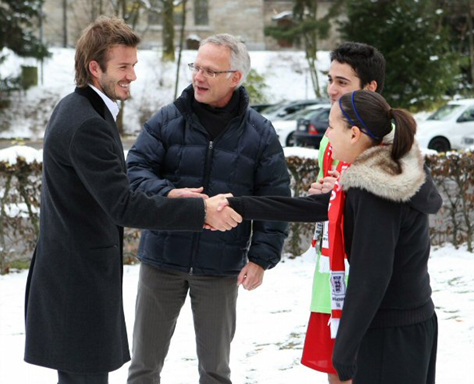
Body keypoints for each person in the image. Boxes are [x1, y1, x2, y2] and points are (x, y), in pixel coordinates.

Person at [24, 17, 241, 384]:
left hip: (72, 278)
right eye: (124, 67)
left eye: (134, 65)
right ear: (95, 68)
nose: (133, 76)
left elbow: (109, 187)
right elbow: (121, 205)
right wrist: (198, 210)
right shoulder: (88, 123)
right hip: (76, 287)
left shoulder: (77, 108)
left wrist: (167, 193)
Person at [224, 90, 442, 384]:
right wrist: (237, 205)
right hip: (409, 324)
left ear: (354, 134)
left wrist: (345, 350)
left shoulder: (376, 189)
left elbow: (372, 275)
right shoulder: (382, 169)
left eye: (330, 126)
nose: (326, 135)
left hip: (389, 335)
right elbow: (316, 206)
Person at [125, 33, 290, 384]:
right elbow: (135, 170)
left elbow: (275, 198)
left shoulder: (260, 133)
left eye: (210, 71)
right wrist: (171, 195)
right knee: (143, 367)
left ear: (235, 78)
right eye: (196, 67)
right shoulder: (167, 119)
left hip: (220, 267)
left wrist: (261, 257)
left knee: (216, 371)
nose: (199, 77)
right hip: (162, 259)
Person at [305, 42, 386, 384]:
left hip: (364, 275)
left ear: (370, 89)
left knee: (363, 366)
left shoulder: (385, 138)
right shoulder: (330, 135)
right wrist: (322, 192)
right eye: (330, 79)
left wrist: (346, 190)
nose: (333, 89)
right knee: (335, 368)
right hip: (330, 268)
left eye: (343, 82)